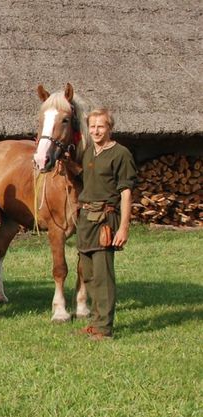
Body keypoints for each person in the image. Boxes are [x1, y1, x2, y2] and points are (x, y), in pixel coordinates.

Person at [74, 108, 136, 340]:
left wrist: (123, 228)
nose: (96, 131)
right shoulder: (89, 152)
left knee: (103, 276)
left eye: (101, 126)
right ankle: (96, 322)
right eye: (92, 126)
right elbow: (86, 180)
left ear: (110, 128)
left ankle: (105, 329)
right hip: (85, 221)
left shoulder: (121, 154)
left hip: (105, 221)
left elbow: (126, 193)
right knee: (89, 275)